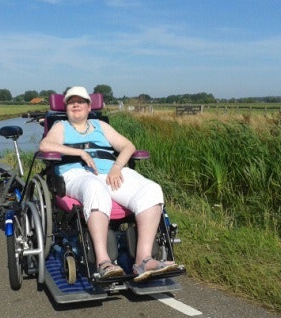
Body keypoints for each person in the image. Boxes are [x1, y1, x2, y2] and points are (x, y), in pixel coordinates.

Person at [39, 86, 179, 282]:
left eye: (81, 101)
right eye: (71, 102)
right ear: (66, 108)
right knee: (95, 189)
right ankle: (103, 262)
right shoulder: (61, 126)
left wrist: (117, 167)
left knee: (151, 190)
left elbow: (127, 146)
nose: (76, 105)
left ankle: (143, 260)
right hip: (76, 174)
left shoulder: (100, 125)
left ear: (89, 107)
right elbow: (45, 145)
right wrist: (80, 152)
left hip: (110, 173)